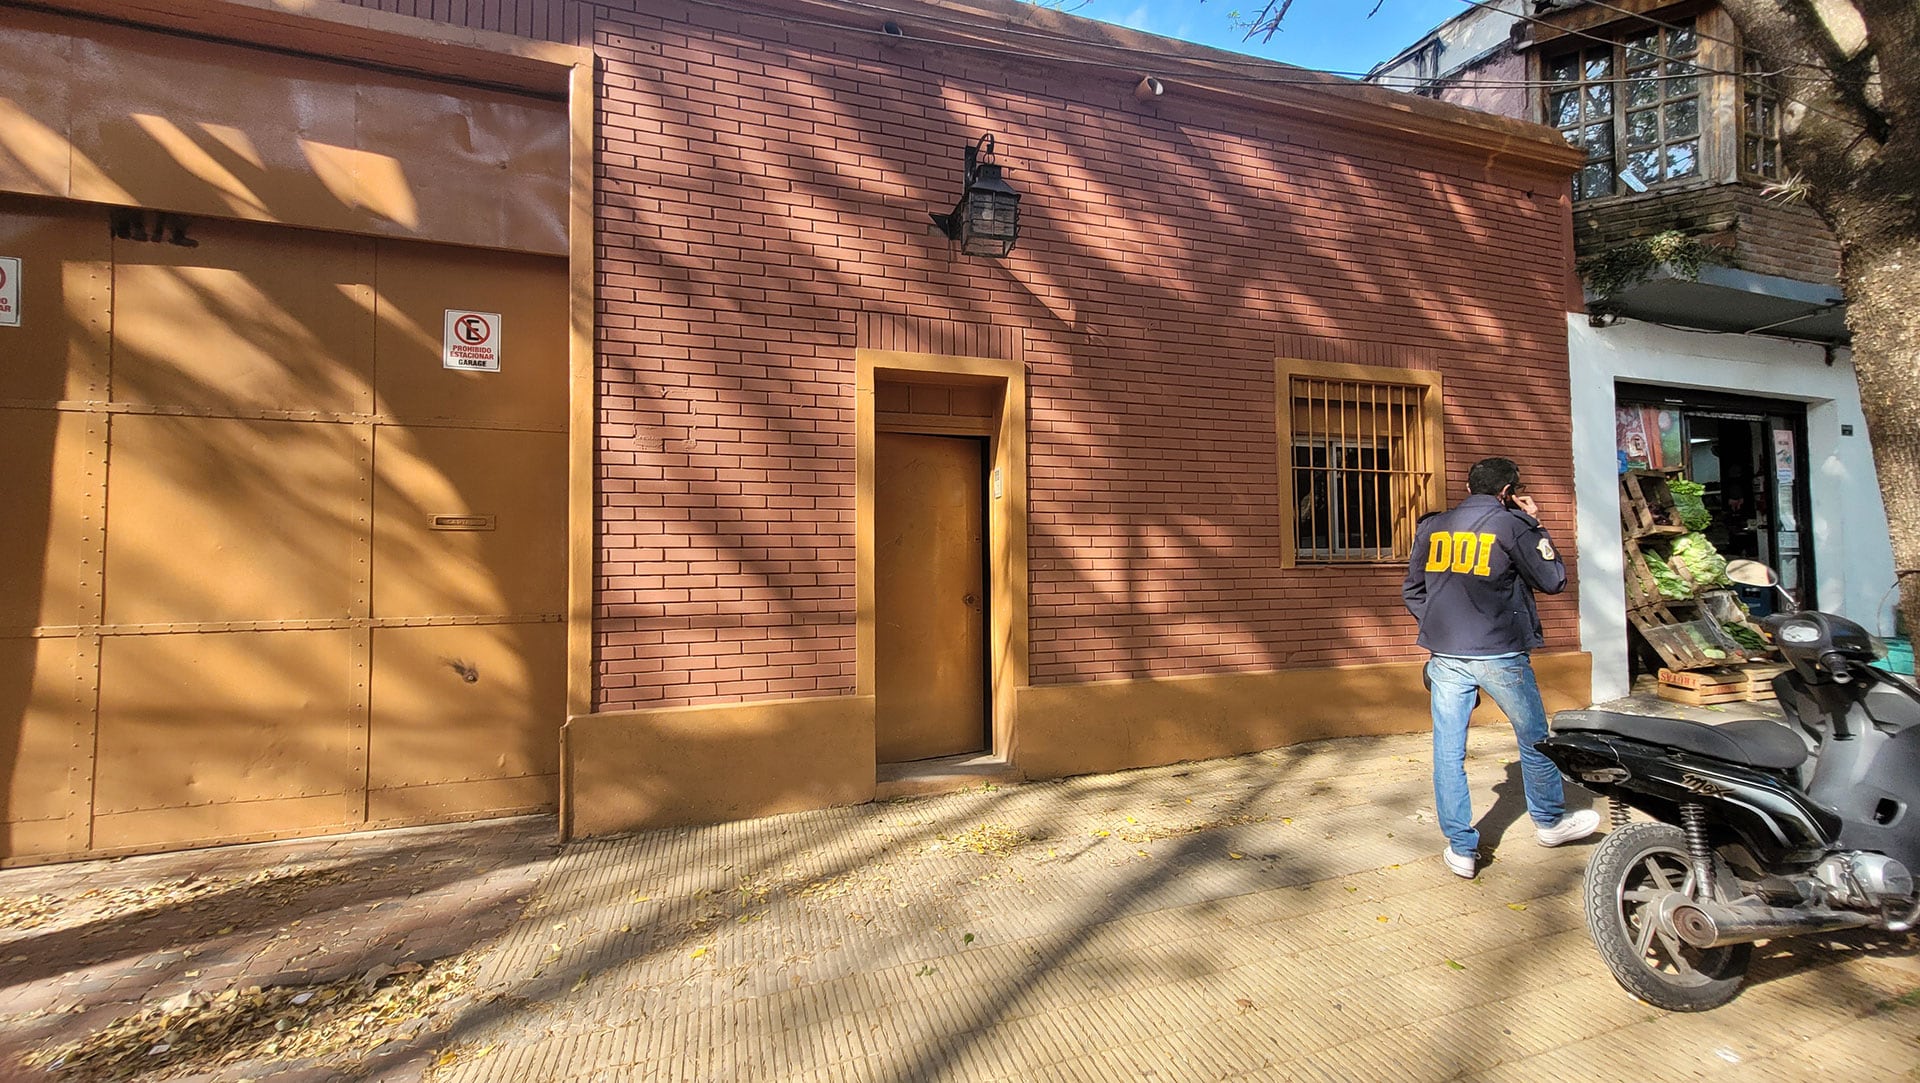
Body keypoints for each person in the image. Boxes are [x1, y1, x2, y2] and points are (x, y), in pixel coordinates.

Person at [1402, 457, 1598, 878]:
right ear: (1508, 492)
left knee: (1448, 752)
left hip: (1446, 657)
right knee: (1534, 738)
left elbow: (1413, 589)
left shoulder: (1433, 527)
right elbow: (1553, 580)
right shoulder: (1512, 526)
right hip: (1501, 654)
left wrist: (1438, 627)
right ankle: (1549, 822)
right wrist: (1536, 524)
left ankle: (1461, 848)